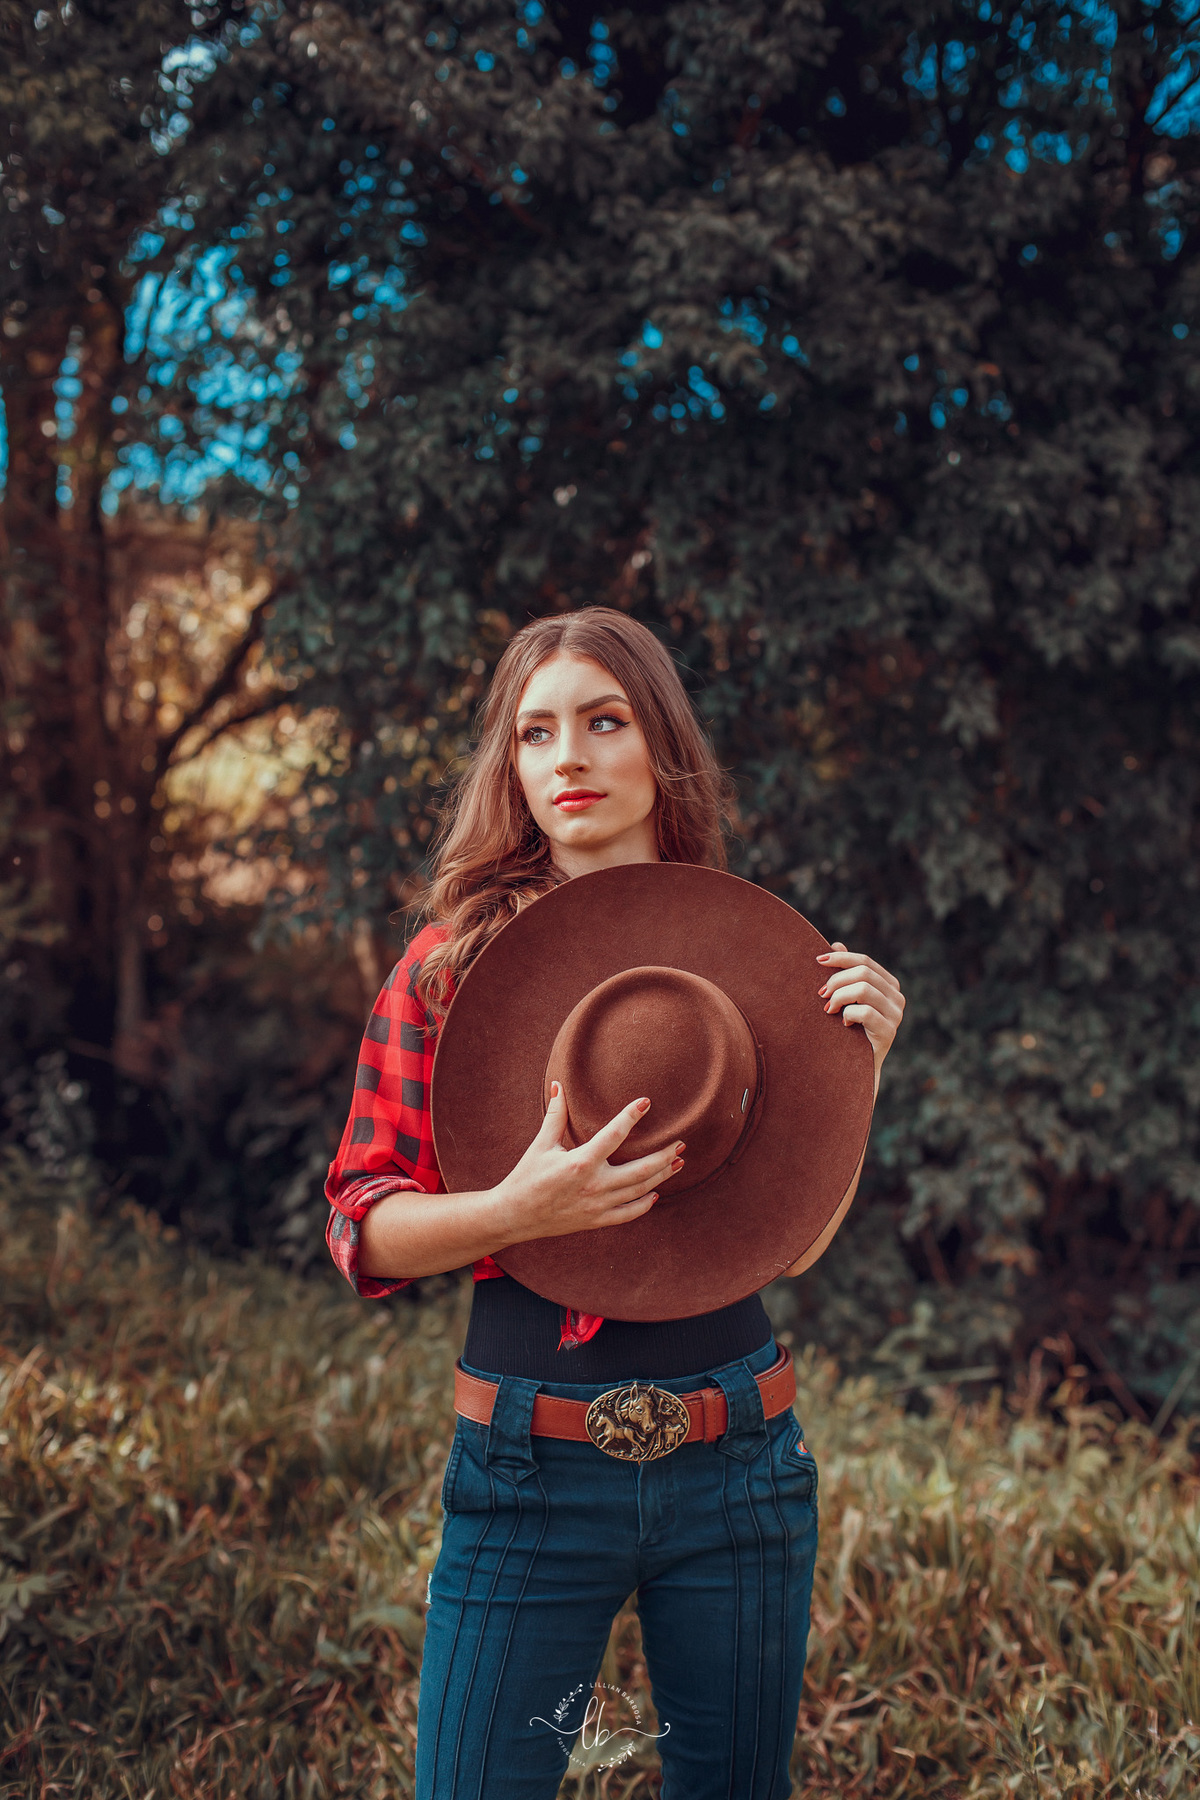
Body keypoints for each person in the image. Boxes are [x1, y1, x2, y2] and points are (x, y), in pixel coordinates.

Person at [325, 607, 906, 1799]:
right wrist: (515, 1211)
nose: (570, 759)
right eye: (536, 733)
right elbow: (361, 1224)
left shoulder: (753, 971)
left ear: (661, 747)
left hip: (740, 1459)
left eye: (604, 722)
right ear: (511, 766)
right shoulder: (445, 969)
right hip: (527, 1472)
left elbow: (799, 1244)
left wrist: (865, 1070)